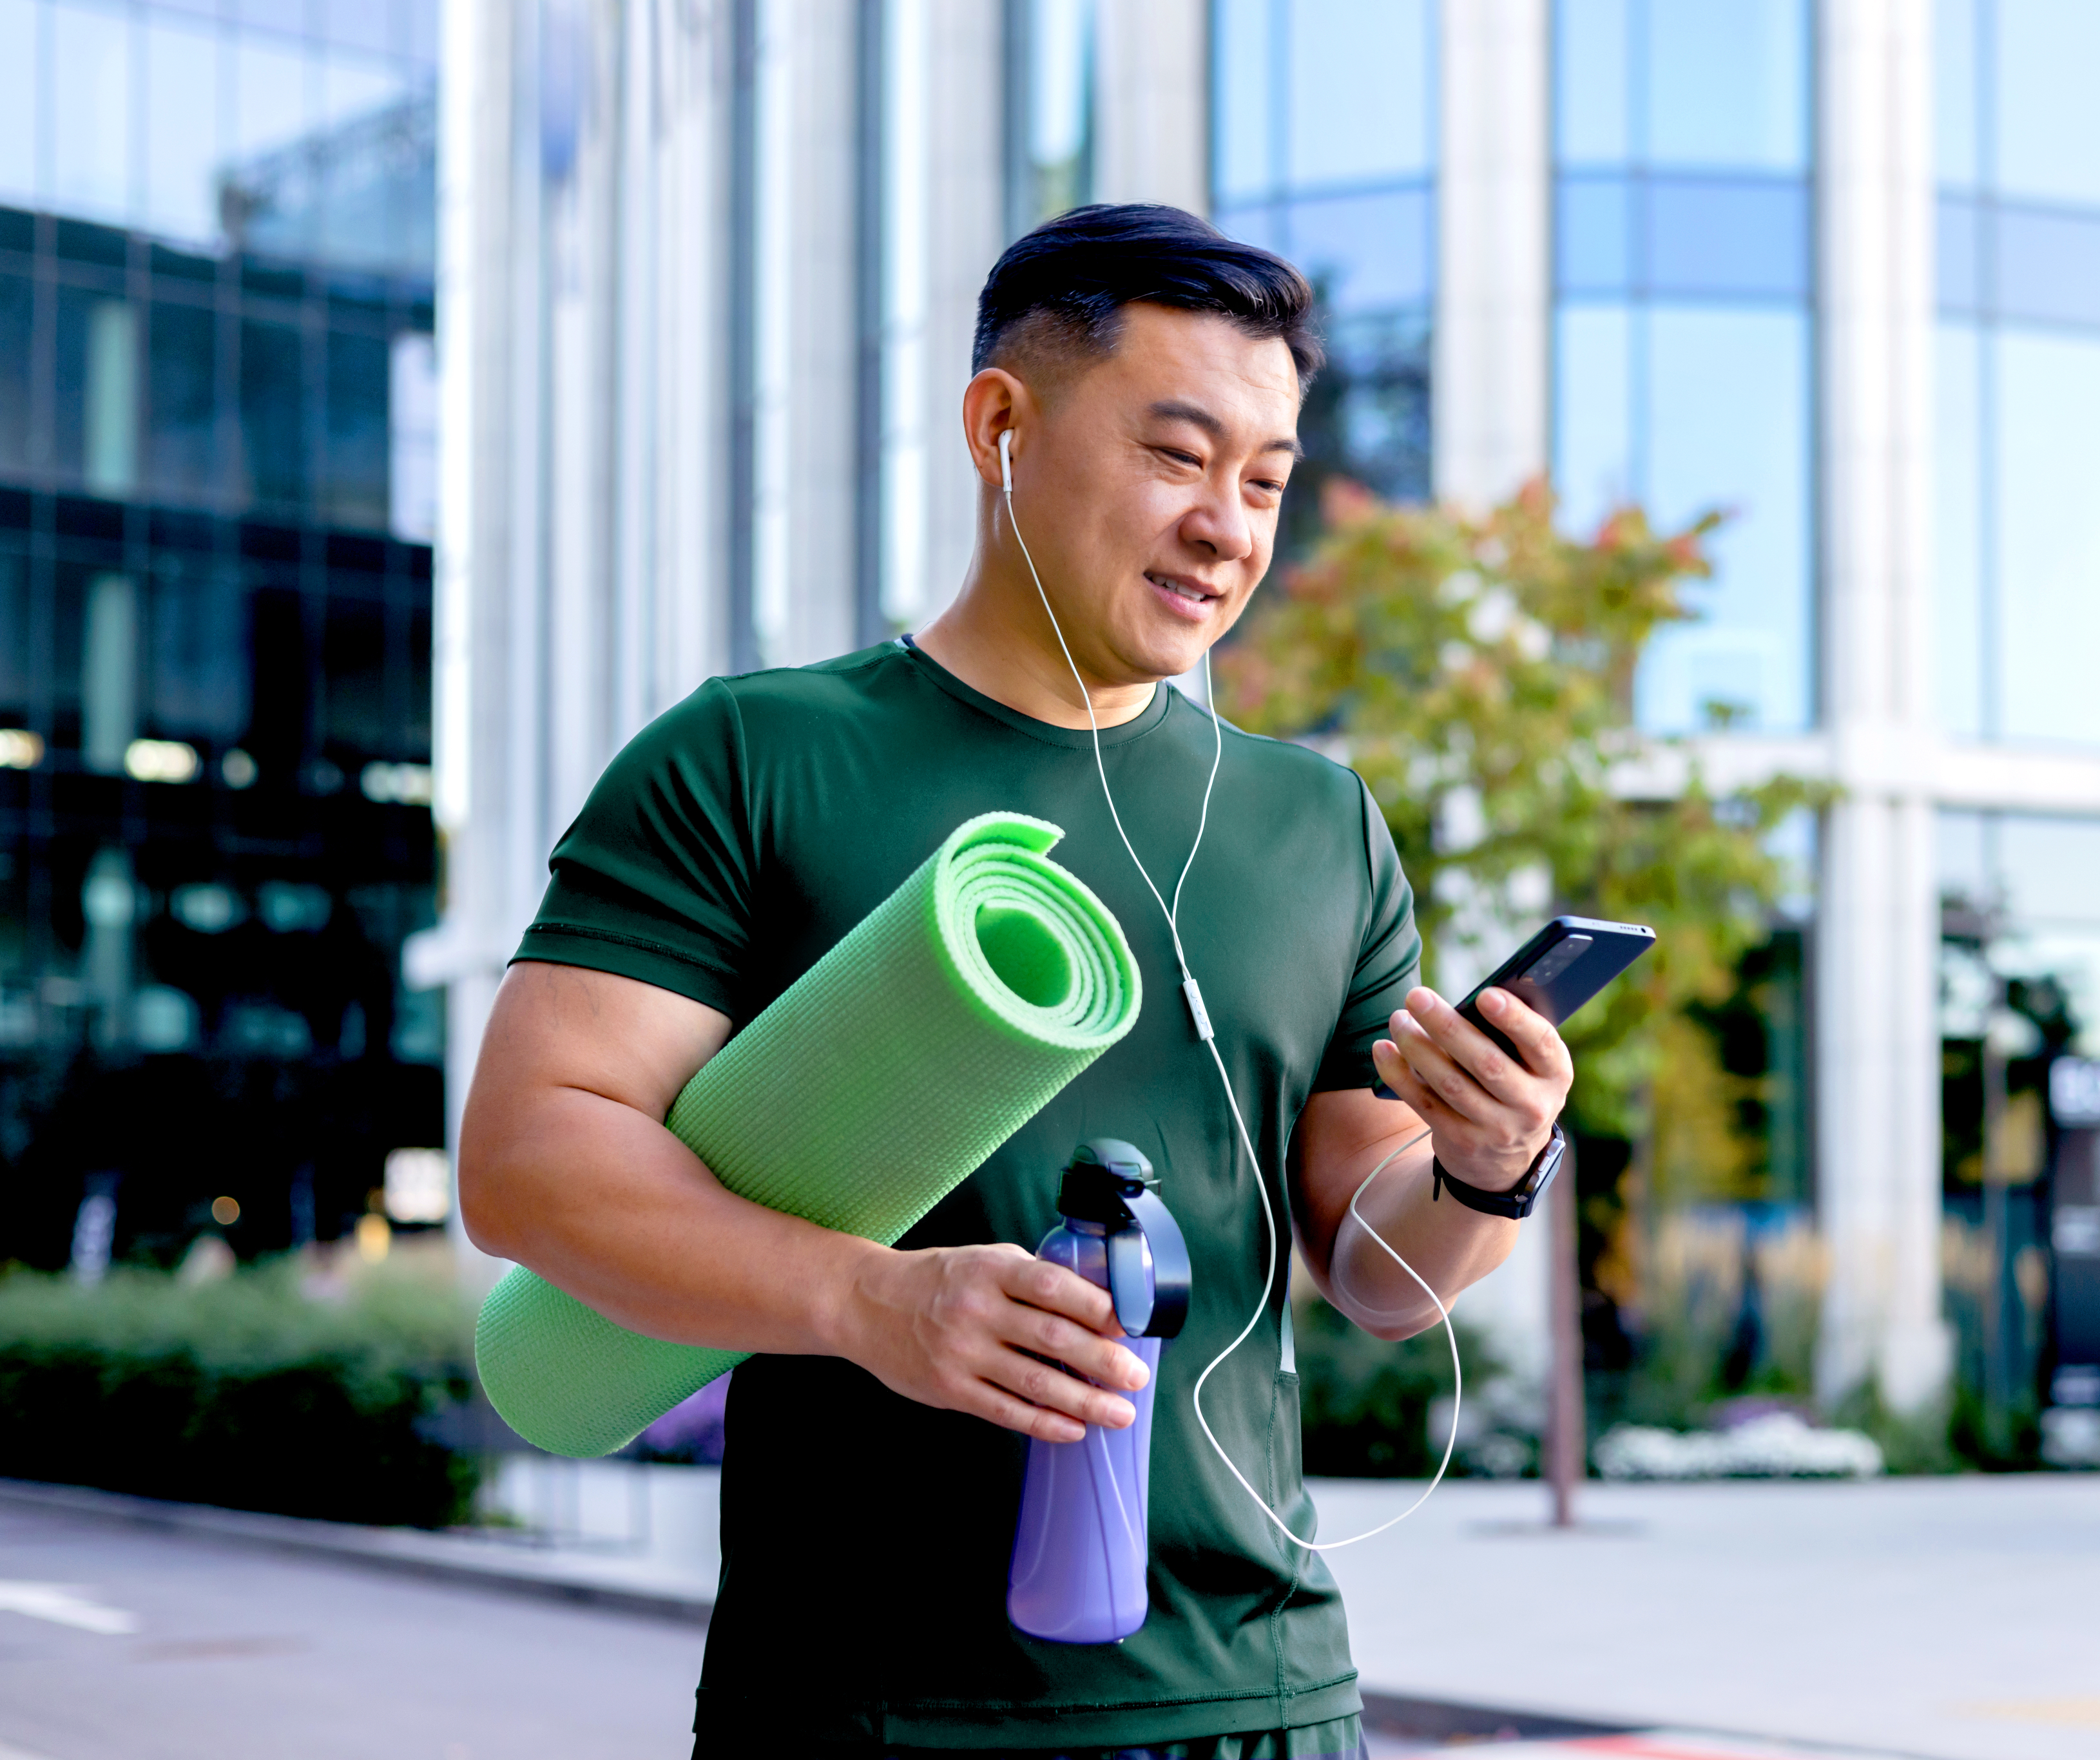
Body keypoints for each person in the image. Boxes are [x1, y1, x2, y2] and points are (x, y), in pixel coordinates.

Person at [457, 204, 1575, 1758]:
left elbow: (1380, 1277)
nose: (1230, 528)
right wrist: (866, 1301)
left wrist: (1486, 1167)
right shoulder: (754, 757)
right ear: (1000, 427)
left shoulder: (1314, 825)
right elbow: (528, 1162)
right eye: (1178, 457)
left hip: (1258, 1700)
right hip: (860, 1710)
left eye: (1264, 480)